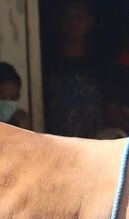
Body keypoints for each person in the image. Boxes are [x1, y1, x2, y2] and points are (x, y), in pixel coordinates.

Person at [43, 0, 105, 138]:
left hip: (96, 141)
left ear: (89, 21)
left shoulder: (100, 61)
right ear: (57, 20)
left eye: (79, 17)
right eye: (67, 16)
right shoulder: (46, 61)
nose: (73, 22)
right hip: (56, 140)